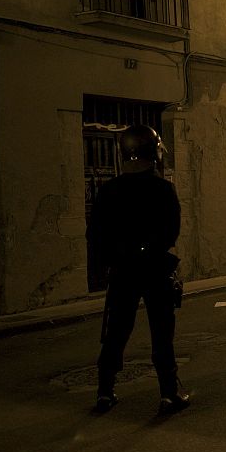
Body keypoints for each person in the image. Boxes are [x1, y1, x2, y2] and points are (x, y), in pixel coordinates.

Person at [86, 124, 190, 416]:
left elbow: (95, 235)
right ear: (152, 152)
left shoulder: (109, 191)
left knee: (116, 332)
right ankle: (169, 394)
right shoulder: (162, 189)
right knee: (161, 333)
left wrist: (113, 260)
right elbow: (171, 232)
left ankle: (105, 392)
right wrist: (148, 248)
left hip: (122, 271)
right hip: (155, 269)